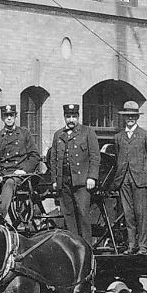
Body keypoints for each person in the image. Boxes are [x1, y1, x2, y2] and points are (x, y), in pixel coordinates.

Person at [113, 100, 147, 253]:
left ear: (137, 117)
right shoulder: (118, 137)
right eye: (128, 116)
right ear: (124, 117)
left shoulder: (146, 135)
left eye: (133, 116)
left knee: (141, 214)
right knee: (128, 215)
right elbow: (117, 158)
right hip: (124, 180)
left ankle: (142, 246)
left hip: (140, 181)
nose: (130, 119)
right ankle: (131, 245)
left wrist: (146, 172)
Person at [47, 104, 100, 244]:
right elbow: (53, 159)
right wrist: (54, 179)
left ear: (78, 117)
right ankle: (73, 247)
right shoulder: (58, 134)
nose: (71, 120)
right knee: (68, 215)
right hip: (64, 182)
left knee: (83, 214)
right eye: (68, 117)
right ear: (64, 117)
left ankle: (87, 247)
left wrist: (92, 177)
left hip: (82, 182)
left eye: (74, 117)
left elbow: (95, 157)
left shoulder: (87, 132)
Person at [0, 103, 41, 224]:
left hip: (20, 175)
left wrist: (24, 170)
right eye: (6, 115)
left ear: (15, 116)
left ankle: (1, 216)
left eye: (11, 115)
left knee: (9, 183)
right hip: (3, 173)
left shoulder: (24, 133)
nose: (9, 118)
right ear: (2, 118)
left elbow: (35, 156)